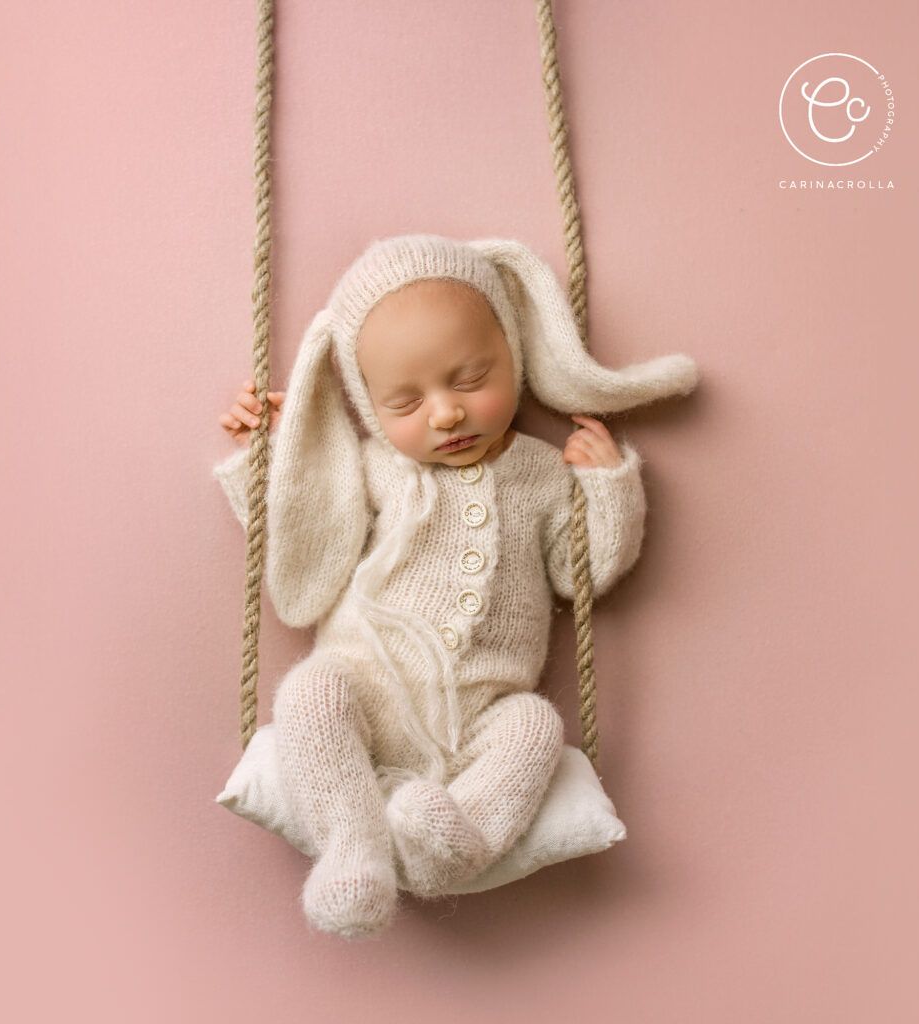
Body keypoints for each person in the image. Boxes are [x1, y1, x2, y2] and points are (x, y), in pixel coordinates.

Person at [213, 234, 699, 940]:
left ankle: (455, 844)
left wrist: (606, 487)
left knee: (536, 726)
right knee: (309, 694)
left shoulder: (538, 473)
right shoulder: (373, 467)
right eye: (405, 402)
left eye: (470, 380)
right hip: (370, 692)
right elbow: (305, 526)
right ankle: (353, 849)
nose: (445, 414)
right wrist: (273, 451)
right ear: (367, 405)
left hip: (480, 715)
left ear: (513, 353)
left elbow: (581, 574)